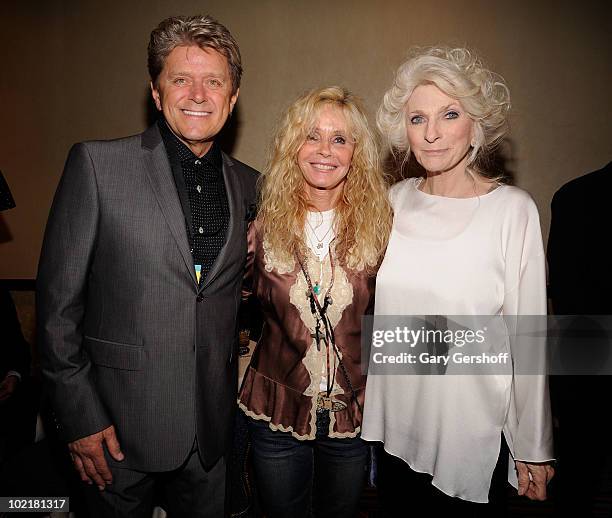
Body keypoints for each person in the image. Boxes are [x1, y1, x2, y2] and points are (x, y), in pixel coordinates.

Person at [37, 15, 258, 517]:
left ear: (233, 95)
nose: (198, 94)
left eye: (214, 81)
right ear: (156, 93)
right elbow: (56, 312)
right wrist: (79, 419)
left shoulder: (252, 185)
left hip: (210, 434)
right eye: (181, 79)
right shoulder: (97, 166)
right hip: (114, 431)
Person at [361, 47, 554, 515]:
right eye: (417, 118)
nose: (431, 134)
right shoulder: (392, 201)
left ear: (476, 124)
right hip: (395, 428)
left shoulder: (512, 211)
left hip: (469, 430)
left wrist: (533, 444)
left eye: (449, 114)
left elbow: (528, 338)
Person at [238, 86, 392, 518]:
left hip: (353, 417)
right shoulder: (261, 228)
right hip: (276, 409)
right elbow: (231, 301)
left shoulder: (382, 228)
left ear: (355, 153)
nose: (325, 150)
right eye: (312, 136)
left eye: (340, 139)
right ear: (293, 147)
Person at [548, 161, 612, 517]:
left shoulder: (574, 195)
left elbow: (564, 291)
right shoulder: (575, 196)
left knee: (578, 477)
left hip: (584, 352)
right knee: (579, 473)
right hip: (586, 352)